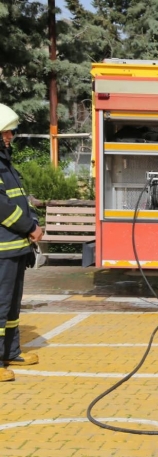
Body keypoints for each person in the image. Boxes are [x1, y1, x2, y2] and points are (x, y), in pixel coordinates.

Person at [0, 103, 42, 382]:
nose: (10, 137)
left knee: (13, 307)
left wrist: (34, 222)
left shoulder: (6, 162)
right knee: (0, 307)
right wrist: (28, 226)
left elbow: (21, 199)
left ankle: (10, 352)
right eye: (7, 133)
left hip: (16, 246)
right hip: (3, 250)